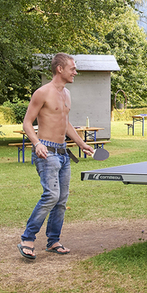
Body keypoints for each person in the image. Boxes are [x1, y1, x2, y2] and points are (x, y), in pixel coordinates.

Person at [18, 53, 94, 260]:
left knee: (61, 199)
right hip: (46, 151)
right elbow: (27, 122)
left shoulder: (67, 94)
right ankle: (27, 238)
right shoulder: (42, 93)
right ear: (60, 69)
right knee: (51, 195)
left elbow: (65, 123)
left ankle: (53, 241)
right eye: (72, 68)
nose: (75, 72)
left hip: (62, 152)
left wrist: (82, 144)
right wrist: (37, 143)